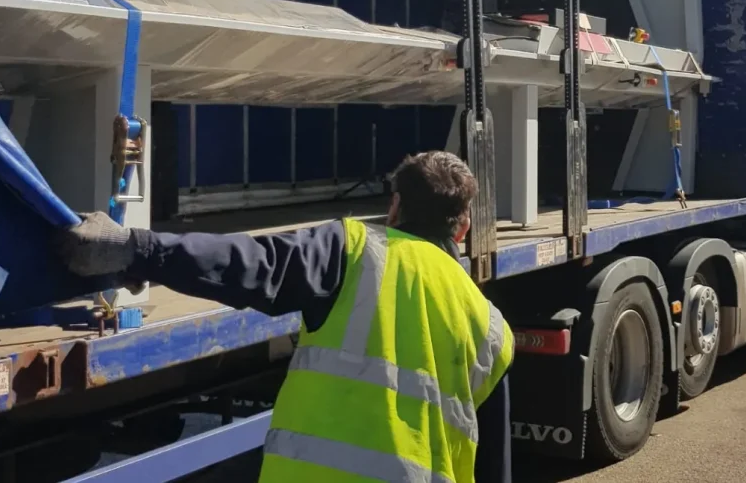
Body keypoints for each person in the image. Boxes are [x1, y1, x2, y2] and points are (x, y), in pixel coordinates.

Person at [56, 150, 514, 483]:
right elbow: (492, 455)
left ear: (394, 207)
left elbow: (246, 262)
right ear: (463, 225)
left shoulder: (355, 250)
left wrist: (137, 249)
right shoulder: (491, 326)